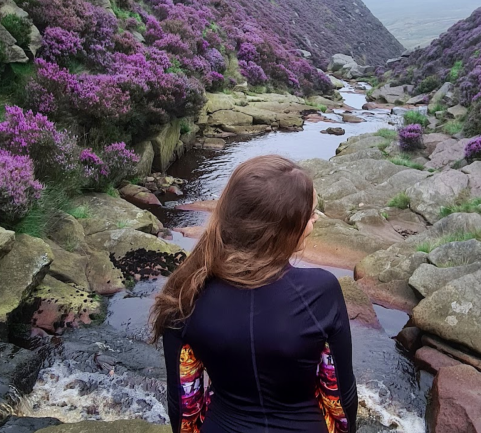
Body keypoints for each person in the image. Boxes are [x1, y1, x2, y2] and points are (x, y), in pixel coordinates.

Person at [150, 155, 358, 433]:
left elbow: (185, 405)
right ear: (283, 228)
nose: (315, 220)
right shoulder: (321, 291)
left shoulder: (185, 291)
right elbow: (340, 399)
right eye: (309, 214)